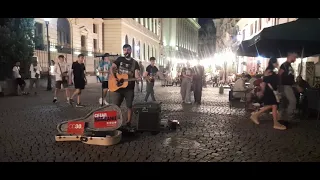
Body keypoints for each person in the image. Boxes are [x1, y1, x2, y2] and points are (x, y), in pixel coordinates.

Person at [250, 57, 286, 130]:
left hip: (271, 90)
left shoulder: (271, 71)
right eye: (276, 62)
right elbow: (265, 81)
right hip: (270, 91)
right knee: (273, 105)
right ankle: (275, 123)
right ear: (273, 63)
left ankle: (257, 115)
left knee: (273, 106)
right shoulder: (269, 71)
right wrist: (264, 91)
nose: (277, 64)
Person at [110, 44, 141, 126]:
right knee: (115, 106)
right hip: (118, 87)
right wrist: (115, 78)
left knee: (129, 106)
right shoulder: (120, 59)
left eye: (127, 50)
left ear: (130, 51)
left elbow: (136, 74)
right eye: (124, 50)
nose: (126, 52)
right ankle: (114, 122)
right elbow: (112, 68)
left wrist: (138, 78)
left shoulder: (135, 63)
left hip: (129, 88)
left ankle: (128, 122)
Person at [279, 52, 298, 120]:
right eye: (294, 57)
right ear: (290, 56)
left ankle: (284, 117)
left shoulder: (289, 65)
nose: (295, 58)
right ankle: (289, 116)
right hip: (285, 86)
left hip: (288, 86)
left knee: (286, 101)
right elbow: (279, 75)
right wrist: (281, 87)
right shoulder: (284, 65)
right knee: (293, 101)